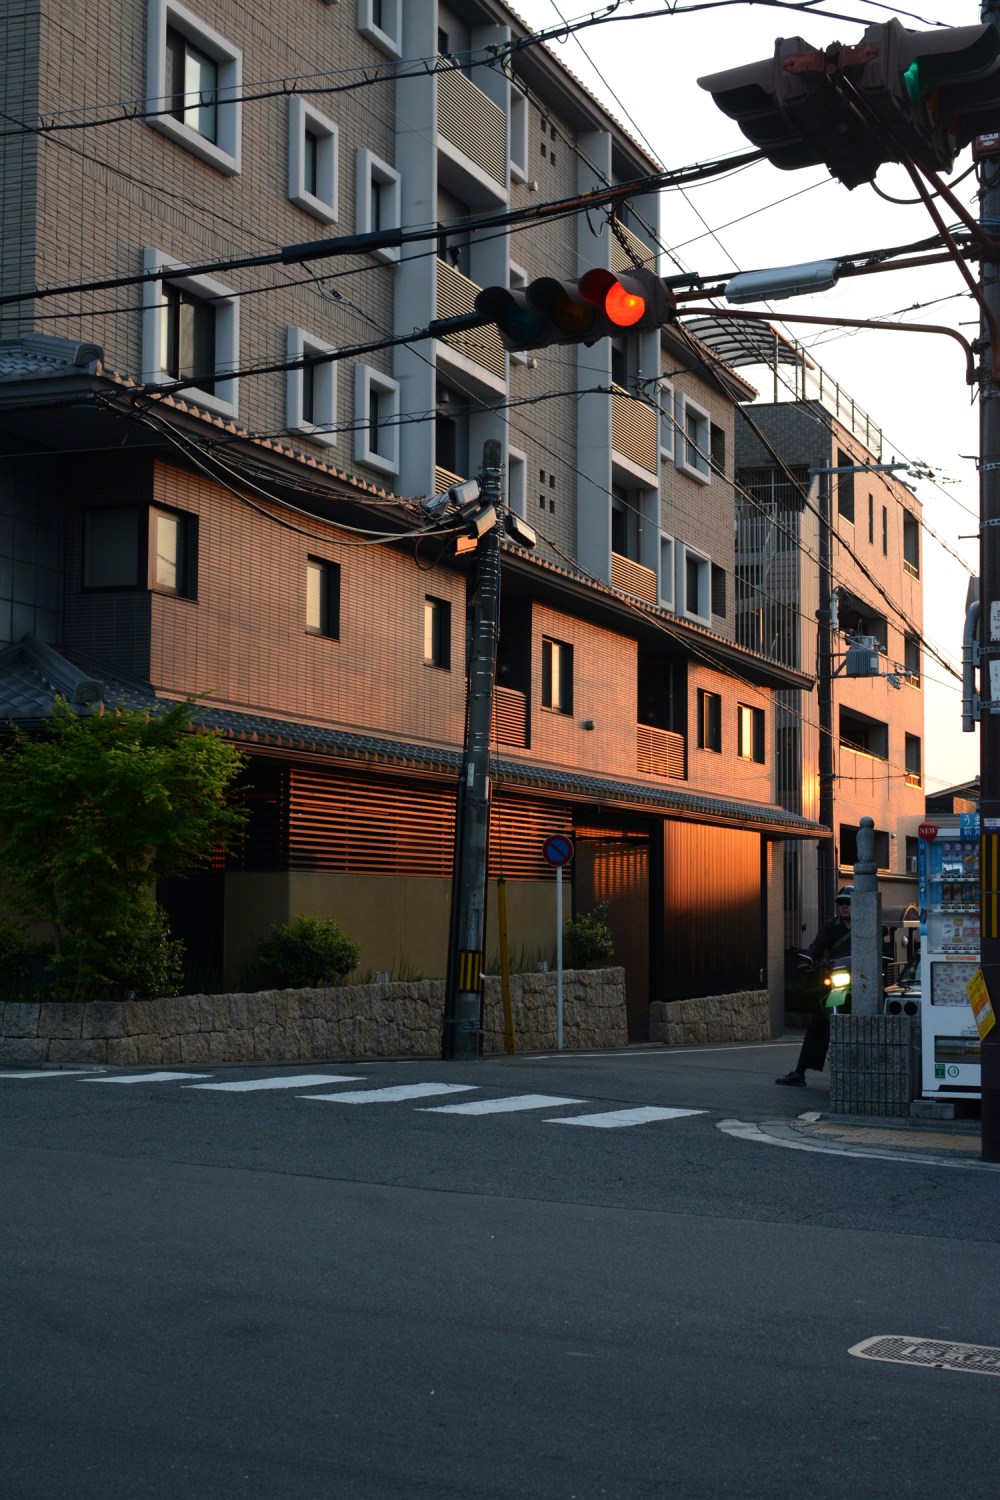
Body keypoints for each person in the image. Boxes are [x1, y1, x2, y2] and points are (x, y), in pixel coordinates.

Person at [776, 887, 853, 1087]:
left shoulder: (868, 923)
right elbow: (817, 946)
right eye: (841, 903)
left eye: (849, 903)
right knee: (818, 1022)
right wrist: (807, 960)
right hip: (838, 983)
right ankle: (800, 1072)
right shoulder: (831, 927)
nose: (845, 907)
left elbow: (881, 948)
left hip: (863, 982)